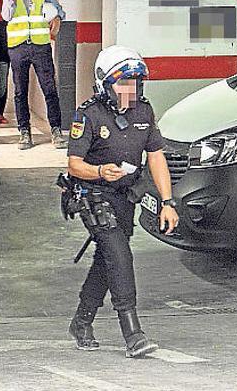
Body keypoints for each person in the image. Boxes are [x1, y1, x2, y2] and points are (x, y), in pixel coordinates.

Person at [66, 45, 180, 358]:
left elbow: (156, 158)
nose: (130, 90)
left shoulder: (144, 111)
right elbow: (74, 164)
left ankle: (81, 321)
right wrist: (100, 170)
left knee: (108, 259)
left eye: (135, 84)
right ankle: (133, 333)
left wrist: (168, 202)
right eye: (123, 84)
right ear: (105, 84)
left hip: (125, 197)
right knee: (120, 256)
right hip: (94, 196)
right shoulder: (88, 115)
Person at [1, 0, 66, 149]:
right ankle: (24, 132)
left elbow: (58, 9)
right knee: (20, 91)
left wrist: (58, 18)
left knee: (49, 88)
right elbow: (6, 16)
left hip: (40, 45)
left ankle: (56, 130)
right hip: (18, 47)